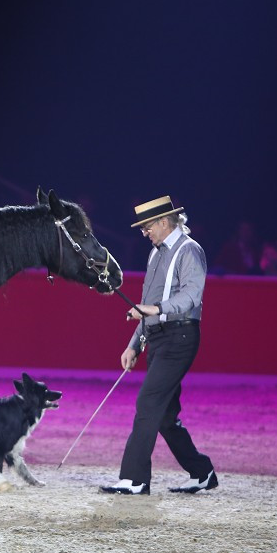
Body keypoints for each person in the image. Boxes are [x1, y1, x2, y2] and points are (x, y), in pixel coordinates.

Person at [101, 196, 217, 496]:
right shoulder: (155, 254)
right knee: (164, 415)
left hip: (180, 337)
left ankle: (134, 479)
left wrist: (154, 309)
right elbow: (145, 305)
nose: (144, 233)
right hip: (157, 338)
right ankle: (202, 471)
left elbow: (192, 296)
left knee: (148, 403)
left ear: (165, 222)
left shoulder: (190, 250)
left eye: (147, 226)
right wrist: (134, 345)